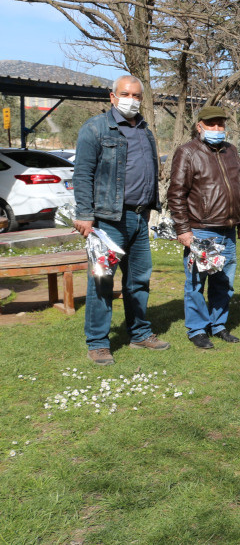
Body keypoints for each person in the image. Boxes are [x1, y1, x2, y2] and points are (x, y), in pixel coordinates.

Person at [74, 74, 169, 365]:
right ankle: (98, 343)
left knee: (139, 279)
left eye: (137, 96)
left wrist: (151, 205)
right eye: (126, 94)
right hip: (108, 219)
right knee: (103, 281)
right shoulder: (95, 128)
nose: (131, 100)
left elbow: (148, 170)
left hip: (140, 218)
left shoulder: (145, 130)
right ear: (113, 97)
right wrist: (85, 215)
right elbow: (82, 174)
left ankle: (140, 332)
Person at [168, 106, 240, 349]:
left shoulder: (231, 151)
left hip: (228, 229)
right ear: (199, 126)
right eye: (211, 124)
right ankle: (197, 329)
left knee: (224, 281)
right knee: (196, 283)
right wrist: (183, 229)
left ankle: (219, 325)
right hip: (202, 229)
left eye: (220, 124)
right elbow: (176, 194)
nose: (216, 129)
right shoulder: (187, 153)